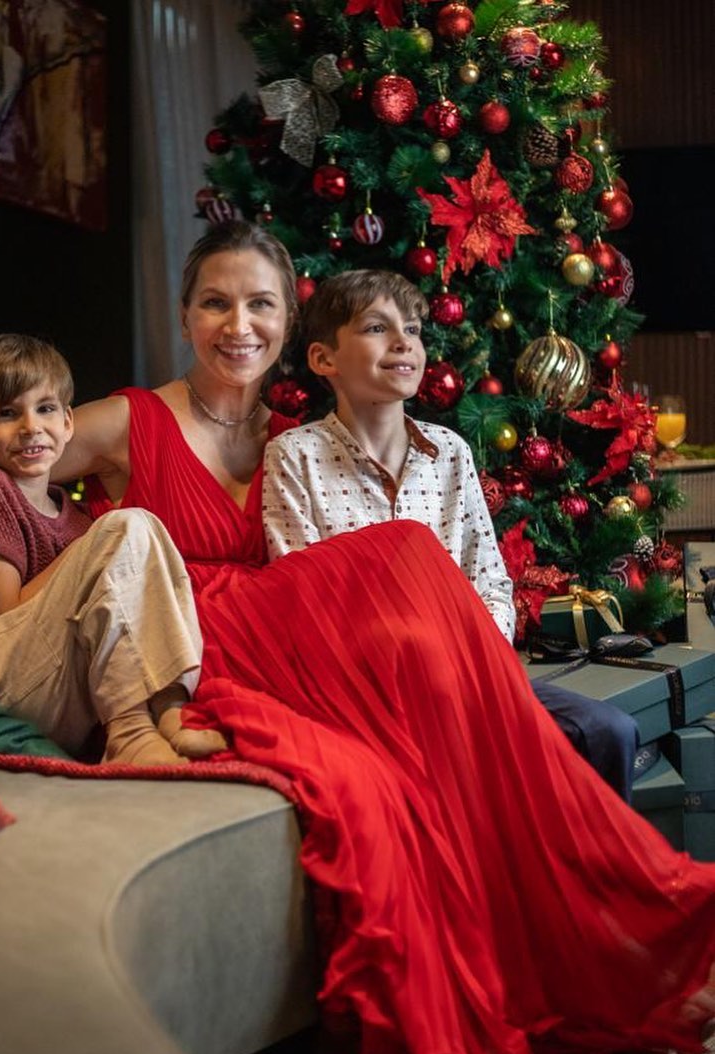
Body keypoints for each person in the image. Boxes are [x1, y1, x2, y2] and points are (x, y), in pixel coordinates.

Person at [0, 223, 715, 1054]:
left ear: (291, 324)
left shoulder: (299, 438)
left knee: (421, 613)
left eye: (259, 304)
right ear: (184, 316)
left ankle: (579, 937)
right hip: (191, 640)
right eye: (214, 302)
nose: (236, 324)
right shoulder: (129, 419)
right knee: (397, 571)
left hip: (299, 636)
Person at [262, 268, 639, 801]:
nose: (403, 343)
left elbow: (489, 581)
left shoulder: (450, 452)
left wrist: (472, 662)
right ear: (325, 360)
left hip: (468, 671)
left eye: (413, 330)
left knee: (608, 731)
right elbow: (302, 598)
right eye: (376, 328)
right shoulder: (295, 456)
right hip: (367, 689)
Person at [0, 333, 219, 764]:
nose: (31, 427)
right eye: (7, 414)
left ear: (68, 423)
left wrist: (93, 547)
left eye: (45, 409)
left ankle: (169, 708)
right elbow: (4, 612)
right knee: (128, 524)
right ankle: (131, 733)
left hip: (59, 683)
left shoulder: (75, 512)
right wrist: (89, 551)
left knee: (140, 528)